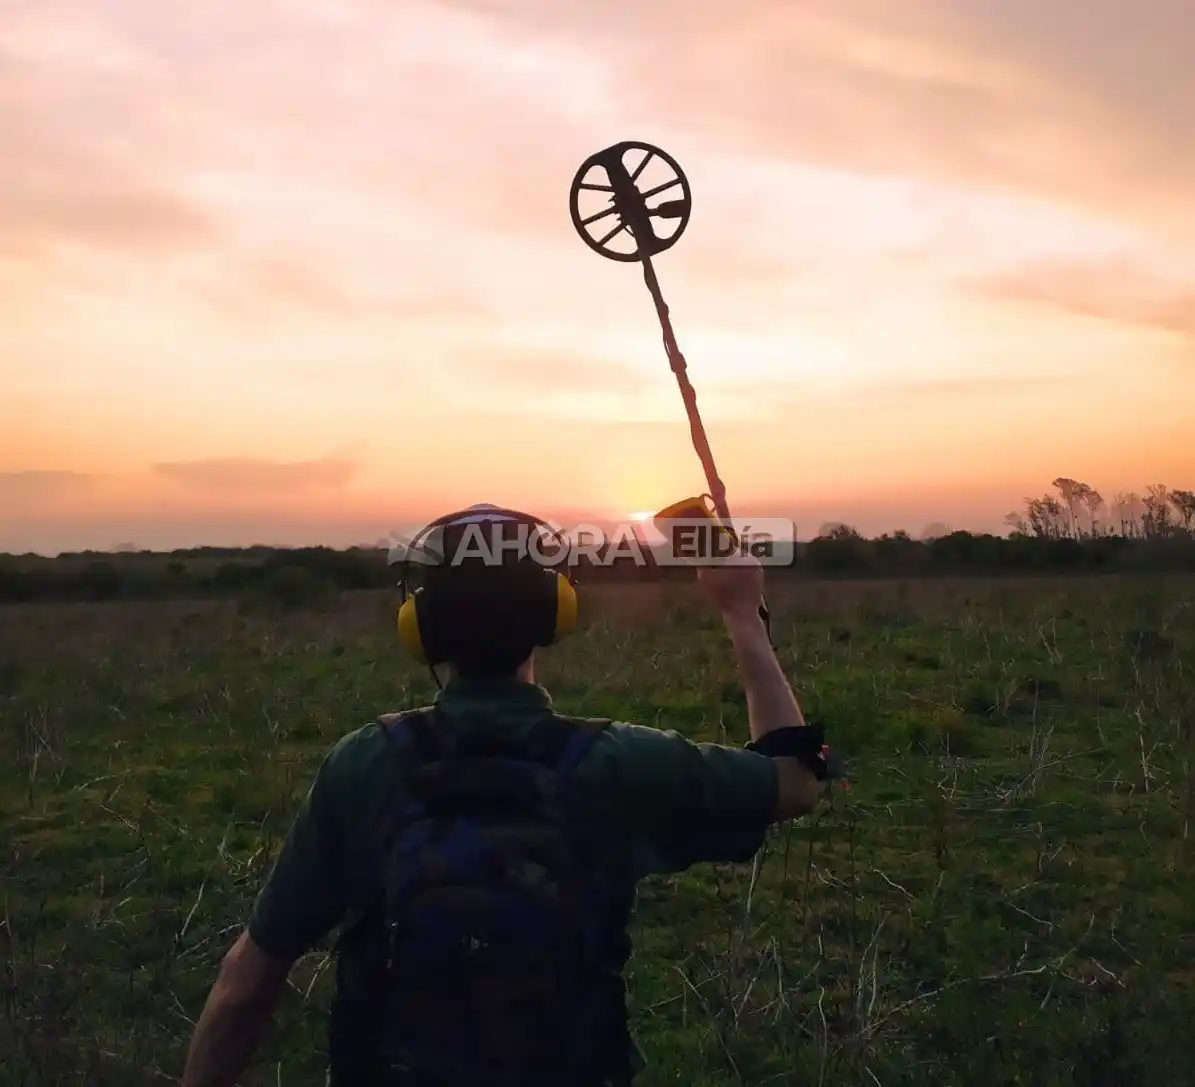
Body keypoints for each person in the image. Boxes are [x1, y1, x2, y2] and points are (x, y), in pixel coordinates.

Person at [179, 506, 833, 1087]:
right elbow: (794, 778)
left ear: (419, 626)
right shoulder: (617, 760)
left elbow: (248, 982)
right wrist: (741, 613)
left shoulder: (363, 762)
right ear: (556, 610)